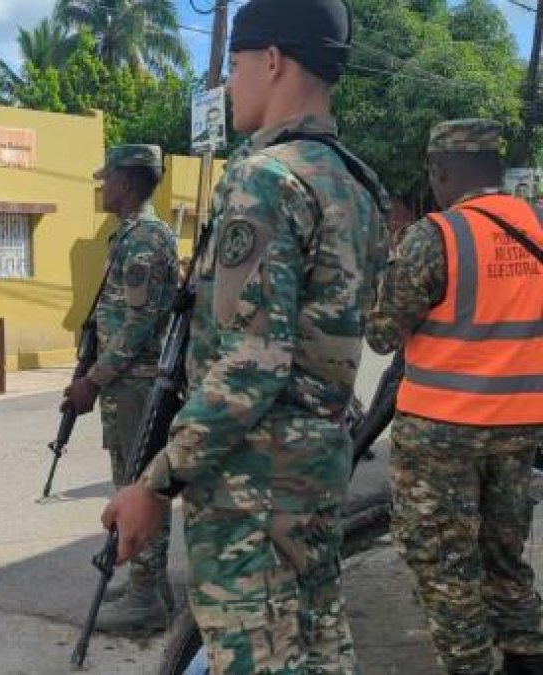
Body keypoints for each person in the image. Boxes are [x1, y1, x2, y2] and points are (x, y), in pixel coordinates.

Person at [99, 0, 389, 672]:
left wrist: (156, 482)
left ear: (272, 59)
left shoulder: (264, 179)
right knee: (315, 649)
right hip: (315, 472)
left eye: (233, 64)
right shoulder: (355, 185)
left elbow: (254, 361)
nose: (229, 84)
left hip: (252, 491)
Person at [365, 118, 543, 675]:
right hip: (520, 429)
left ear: (441, 171)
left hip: (442, 433)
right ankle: (527, 658)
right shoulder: (537, 227)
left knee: (446, 568)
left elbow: (381, 332)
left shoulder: (436, 235)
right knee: (504, 560)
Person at [62, 144, 179, 634]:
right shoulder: (130, 236)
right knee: (134, 479)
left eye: (106, 179)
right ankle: (149, 584)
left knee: (140, 484)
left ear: (126, 184)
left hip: (140, 385)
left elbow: (139, 323)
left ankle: (146, 597)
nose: (101, 187)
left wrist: (95, 378)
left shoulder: (145, 239)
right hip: (128, 382)